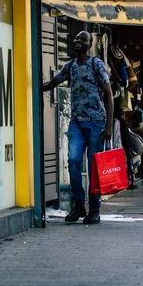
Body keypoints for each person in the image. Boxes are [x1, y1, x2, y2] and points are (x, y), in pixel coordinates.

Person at [43, 31, 113, 224]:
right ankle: (78, 205)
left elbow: (108, 93)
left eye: (83, 39)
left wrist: (108, 125)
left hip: (96, 122)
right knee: (73, 160)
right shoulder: (70, 66)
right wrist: (34, 87)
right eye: (76, 38)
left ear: (89, 44)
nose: (78, 41)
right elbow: (53, 83)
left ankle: (95, 209)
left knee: (93, 166)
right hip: (77, 122)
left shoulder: (96, 64)